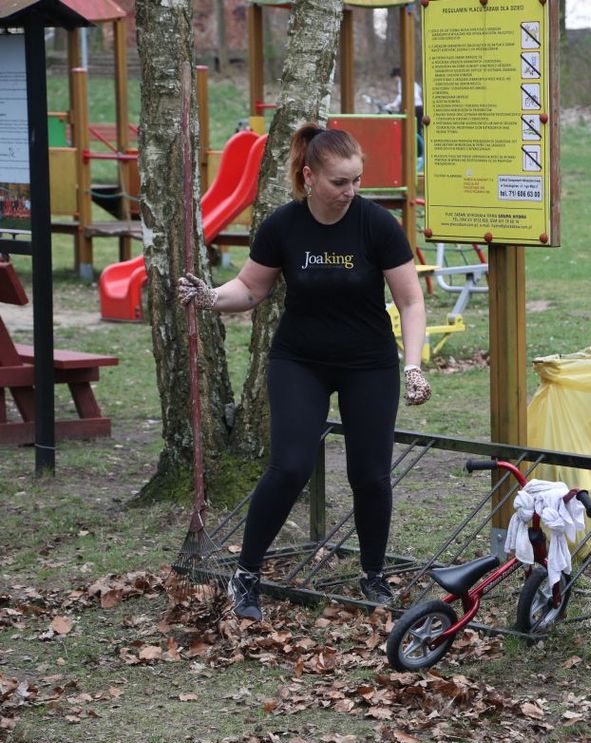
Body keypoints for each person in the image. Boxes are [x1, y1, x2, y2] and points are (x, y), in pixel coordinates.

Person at [178, 123, 432, 621]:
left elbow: (411, 300)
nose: (351, 191)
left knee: (370, 475)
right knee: (290, 466)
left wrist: (414, 365)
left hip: (370, 363)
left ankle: (374, 575)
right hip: (301, 360)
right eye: (340, 182)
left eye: (357, 180)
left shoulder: (376, 224)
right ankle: (247, 576)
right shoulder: (283, 226)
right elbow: (250, 289)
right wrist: (210, 297)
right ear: (309, 176)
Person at [384, 66, 424, 136]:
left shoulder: (402, 83)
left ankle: (414, 145)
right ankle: (420, 144)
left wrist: (393, 104)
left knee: (410, 128)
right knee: (417, 128)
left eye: (394, 77)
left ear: (397, 76)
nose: (394, 79)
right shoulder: (412, 81)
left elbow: (401, 95)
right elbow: (419, 90)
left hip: (413, 107)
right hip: (420, 106)